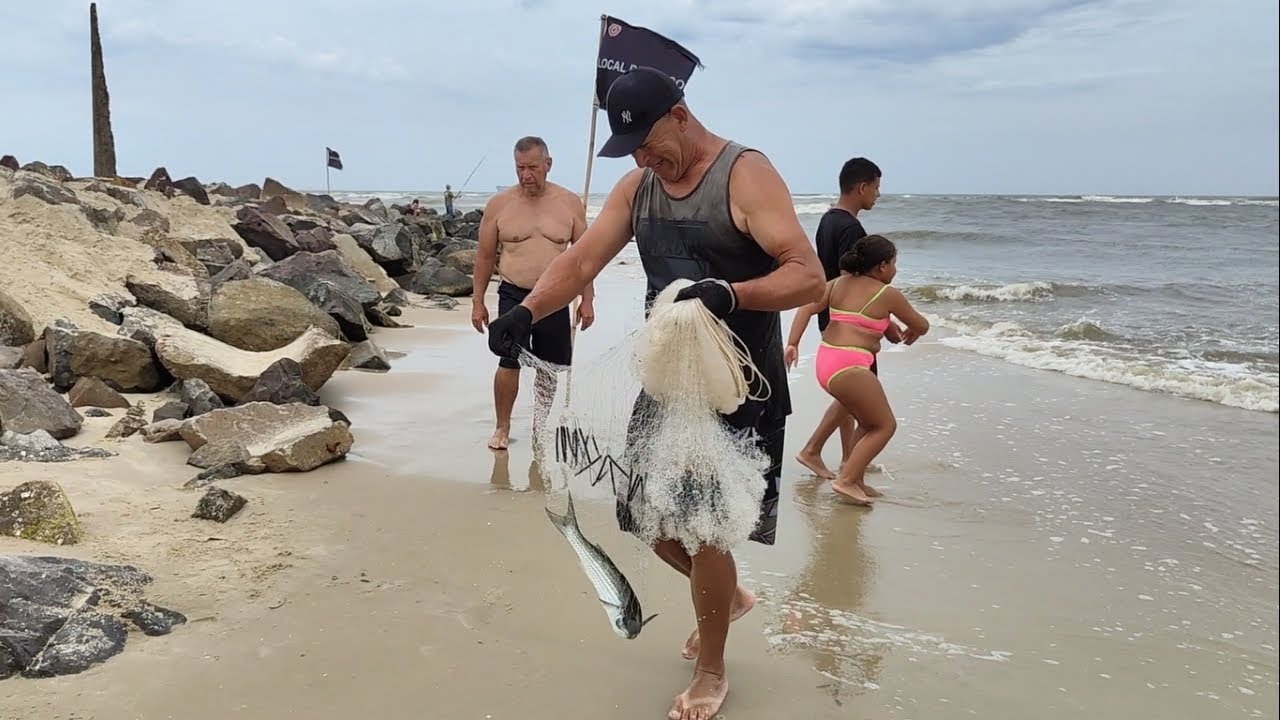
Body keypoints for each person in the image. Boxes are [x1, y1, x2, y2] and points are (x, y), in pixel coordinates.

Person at [484, 67, 825, 720]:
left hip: (737, 388)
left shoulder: (745, 174)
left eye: (649, 140)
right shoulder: (637, 187)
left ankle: (712, 671)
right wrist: (527, 312)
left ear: (679, 113)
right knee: (642, 518)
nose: (645, 157)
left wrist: (733, 293)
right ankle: (730, 598)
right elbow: (581, 262)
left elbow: (808, 278)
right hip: (666, 379)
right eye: (632, 149)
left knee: (705, 534)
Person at [471, 136, 595, 450]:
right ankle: (502, 427)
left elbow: (584, 258)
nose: (526, 175)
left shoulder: (568, 203)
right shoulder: (499, 205)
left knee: (547, 366)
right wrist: (477, 302)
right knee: (508, 360)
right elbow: (485, 257)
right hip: (514, 293)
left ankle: (540, 423)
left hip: (555, 294)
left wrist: (588, 300)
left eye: (533, 168)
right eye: (520, 168)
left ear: (548, 165)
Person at [784, 158, 902, 481]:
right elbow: (861, 284)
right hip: (852, 322)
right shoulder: (852, 229)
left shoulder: (827, 221)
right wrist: (888, 325)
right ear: (862, 187)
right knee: (860, 395)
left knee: (848, 394)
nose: (878, 195)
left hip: (831, 315)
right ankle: (827, 457)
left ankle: (849, 457)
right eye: (876, 188)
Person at [789, 235, 929, 504]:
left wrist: (793, 343)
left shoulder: (838, 283)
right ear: (882, 266)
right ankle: (847, 480)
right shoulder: (888, 294)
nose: (896, 270)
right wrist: (914, 330)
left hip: (826, 363)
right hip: (851, 366)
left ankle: (857, 480)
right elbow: (922, 325)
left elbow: (807, 308)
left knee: (866, 422)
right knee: (884, 425)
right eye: (894, 263)